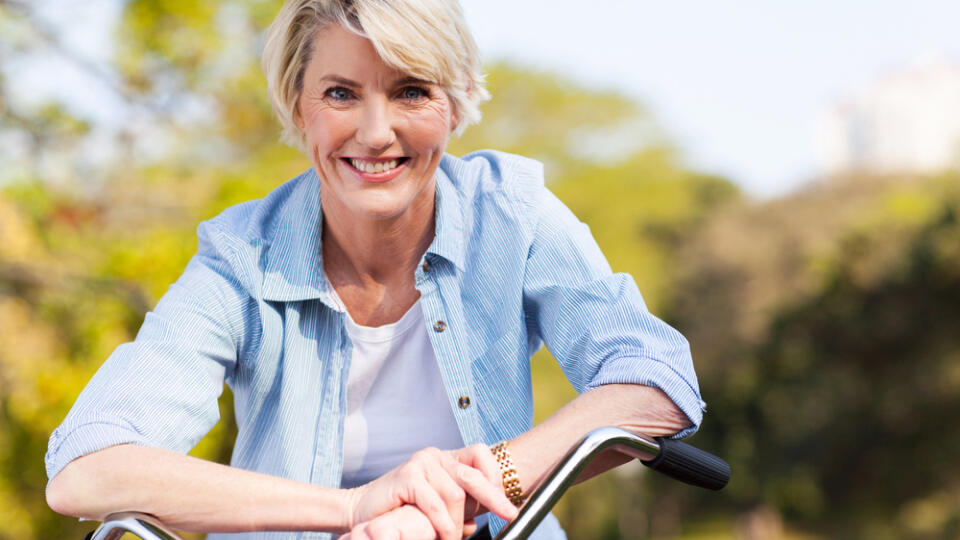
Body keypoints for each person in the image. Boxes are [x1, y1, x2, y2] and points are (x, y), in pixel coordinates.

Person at [44, 1, 705, 539]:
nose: (376, 132)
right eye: (340, 93)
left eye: (411, 91)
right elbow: (85, 468)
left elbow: (655, 378)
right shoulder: (242, 256)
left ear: (458, 101)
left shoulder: (512, 213)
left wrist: (467, 490)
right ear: (297, 108)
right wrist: (358, 510)